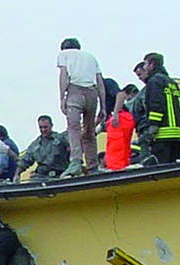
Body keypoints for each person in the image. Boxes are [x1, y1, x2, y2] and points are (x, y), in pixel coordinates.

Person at [57, 38, 106, 177]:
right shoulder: (91, 57)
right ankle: (93, 166)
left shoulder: (64, 54)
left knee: (74, 129)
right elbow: (100, 81)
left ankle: (75, 163)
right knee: (89, 131)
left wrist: (62, 98)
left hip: (75, 91)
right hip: (92, 93)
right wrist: (103, 106)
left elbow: (63, 75)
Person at [142, 53, 180, 164]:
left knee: (162, 166)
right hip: (178, 133)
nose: (144, 67)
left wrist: (153, 125)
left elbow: (156, 104)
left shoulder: (154, 81)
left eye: (145, 64)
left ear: (152, 64)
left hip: (163, 133)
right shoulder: (172, 82)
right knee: (174, 167)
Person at [14, 115, 70, 180]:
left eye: (45, 127)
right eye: (41, 127)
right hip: (41, 176)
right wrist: (17, 174)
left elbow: (74, 152)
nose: (43, 130)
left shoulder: (62, 139)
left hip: (60, 175)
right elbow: (25, 160)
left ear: (51, 126)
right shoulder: (35, 145)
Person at [104, 89, 136, 171]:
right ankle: (122, 168)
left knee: (115, 148)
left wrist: (115, 115)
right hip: (124, 118)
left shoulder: (107, 84)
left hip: (118, 120)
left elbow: (121, 94)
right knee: (124, 148)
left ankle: (116, 169)